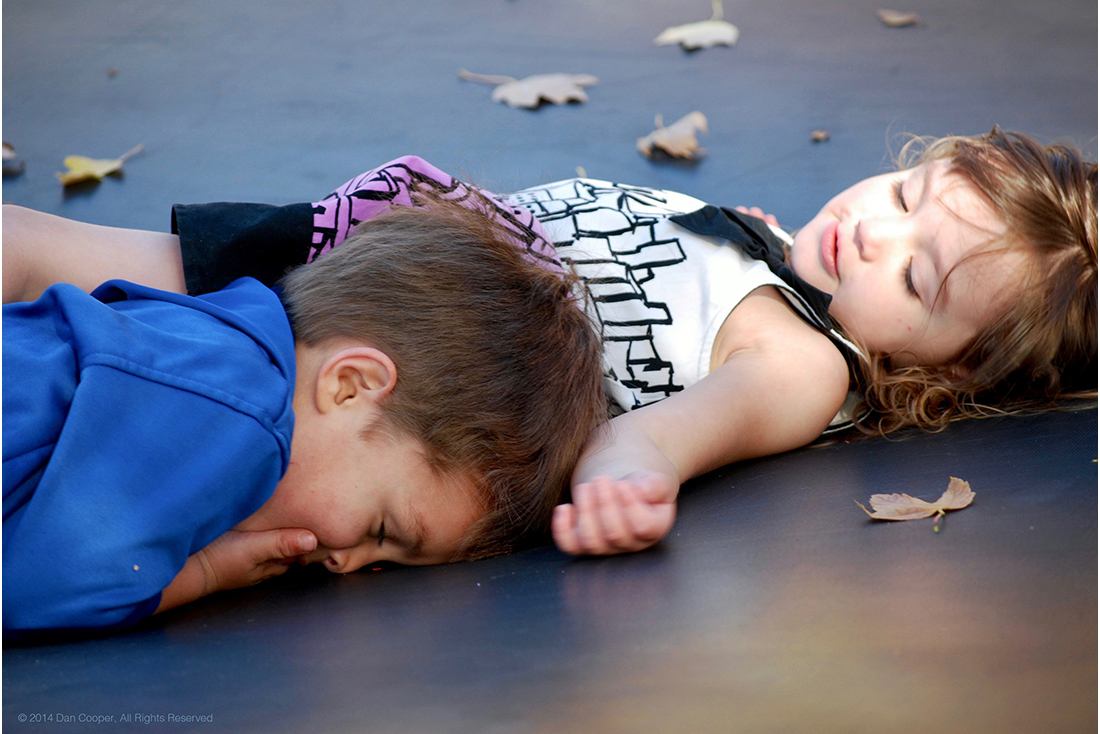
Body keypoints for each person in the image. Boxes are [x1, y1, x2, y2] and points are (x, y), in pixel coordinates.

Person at [7, 128, 1095, 561]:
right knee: (81, 263)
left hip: (414, 347)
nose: (876, 227)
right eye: (904, 192)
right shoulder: (775, 249)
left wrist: (630, 472)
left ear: (946, 367)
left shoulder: (804, 362)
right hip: (395, 255)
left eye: (911, 276)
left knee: (114, 323)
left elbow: (685, 426)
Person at [2, 198, 607, 635]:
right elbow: (37, 584)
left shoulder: (215, 330)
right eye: (380, 530)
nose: (345, 563)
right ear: (350, 386)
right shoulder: (240, 417)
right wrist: (204, 573)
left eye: (379, 562)